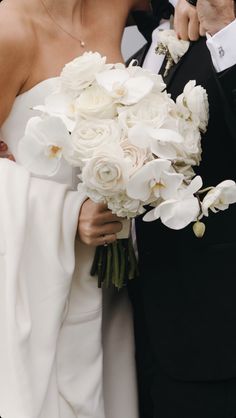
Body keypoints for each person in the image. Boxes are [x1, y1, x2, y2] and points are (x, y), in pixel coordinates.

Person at [0, 1, 150, 418]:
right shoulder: (8, 30)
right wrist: (65, 214)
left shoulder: (118, 5)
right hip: (39, 275)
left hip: (113, 274)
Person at [129, 0, 236, 417]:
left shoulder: (219, 27)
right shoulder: (144, 44)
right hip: (137, 331)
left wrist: (226, 27)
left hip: (218, 340)